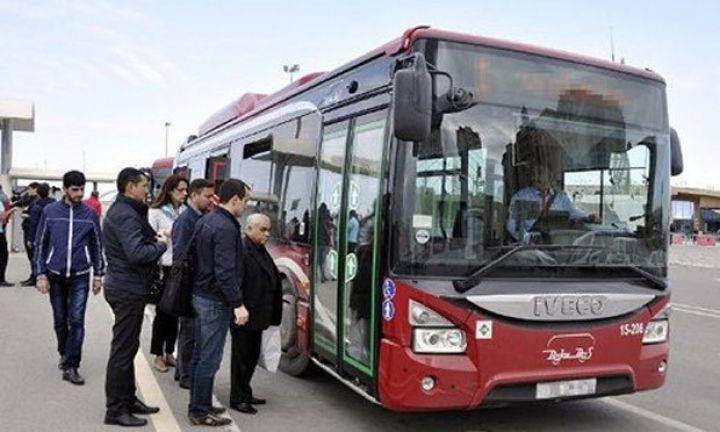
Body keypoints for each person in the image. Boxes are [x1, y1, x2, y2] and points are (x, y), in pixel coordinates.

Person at [103, 168, 168, 427]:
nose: (147, 190)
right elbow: (138, 253)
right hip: (127, 288)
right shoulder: (126, 216)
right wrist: (161, 243)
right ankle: (115, 409)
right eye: (144, 185)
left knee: (127, 347)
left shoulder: (124, 211)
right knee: (122, 350)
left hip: (126, 286)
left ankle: (128, 399)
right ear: (130, 187)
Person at [189, 178, 250, 427]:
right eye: (245, 201)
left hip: (201, 294)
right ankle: (199, 411)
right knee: (210, 359)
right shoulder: (226, 227)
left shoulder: (207, 219)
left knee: (199, 354)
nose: (246, 206)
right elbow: (224, 271)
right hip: (215, 300)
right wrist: (238, 303)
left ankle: (199, 402)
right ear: (234, 199)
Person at [34, 171, 105, 385]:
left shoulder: (90, 213)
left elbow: (97, 245)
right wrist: (40, 274)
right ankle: (64, 353)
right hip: (54, 275)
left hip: (80, 276)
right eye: (75, 189)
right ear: (65, 189)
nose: (79, 193)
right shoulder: (50, 212)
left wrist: (99, 275)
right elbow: (40, 244)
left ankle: (72, 365)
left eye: (81, 189)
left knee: (76, 321)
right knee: (59, 320)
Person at [229, 213, 282, 415]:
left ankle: (245, 392)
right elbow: (236, 282)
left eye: (268, 229)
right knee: (242, 358)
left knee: (251, 357)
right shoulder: (243, 251)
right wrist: (238, 307)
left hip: (259, 315)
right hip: (246, 314)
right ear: (249, 229)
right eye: (263, 229)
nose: (267, 234)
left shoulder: (260, 249)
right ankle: (238, 398)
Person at [172, 178, 215, 389]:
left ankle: (183, 370)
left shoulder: (201, 217)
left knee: (193, 331)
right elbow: (180, 256)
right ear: (194, 195)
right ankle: (185, 374)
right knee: (189, 331)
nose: (210, 200)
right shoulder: (185, 221)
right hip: (189, 284)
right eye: (207, 196)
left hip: (196, 282)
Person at [148, 175, 188, 373]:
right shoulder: (155, 212)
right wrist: (166, 233)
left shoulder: (185, 211)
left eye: (186, 190)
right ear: (170, 190)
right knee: (163, 313)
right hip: (164, 266)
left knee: (175, 313)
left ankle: (170, 351)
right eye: (181, 190)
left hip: (180, 266)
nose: (184, 193)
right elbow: (149, 237)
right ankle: (157, 354)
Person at [506, 157, 598, 243]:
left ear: (550, 175)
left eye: (539, 173)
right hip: (530, 247)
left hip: (556, 244)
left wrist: (589, 218)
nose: (535, 177)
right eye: (533, 174)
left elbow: (574, 213)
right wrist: (530, 239)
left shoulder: (561, 197)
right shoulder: (521, 197)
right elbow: (514, 227)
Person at [24, 183, 55, 287]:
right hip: (50, 234)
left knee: (34, 256)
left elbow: (33, 223)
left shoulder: (36, 206)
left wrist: (30, 239)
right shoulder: (53, 205)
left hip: (37, 234)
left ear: (37, 192)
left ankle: (35, 276)